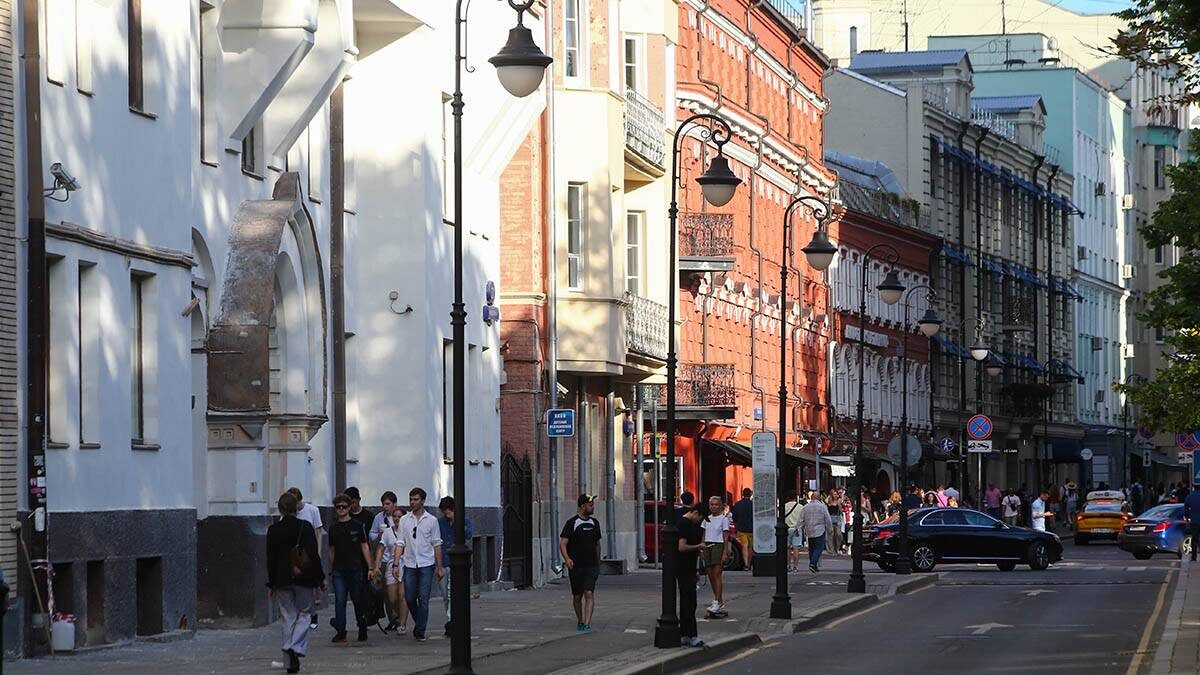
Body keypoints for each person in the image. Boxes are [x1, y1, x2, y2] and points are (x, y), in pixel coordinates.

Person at [268, 492, 322, 673]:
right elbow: (313, 555)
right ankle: (296, 647)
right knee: (306, 613)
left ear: (280, 509)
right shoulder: (304, 527)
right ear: (295, 508)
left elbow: (271, 559)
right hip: (303, 577)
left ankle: (290, 662)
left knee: (287, 616)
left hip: (282, 579)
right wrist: (320, 579)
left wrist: (272, 583)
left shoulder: (273, 530)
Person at [398, 487, 443, 642]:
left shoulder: (431, 521)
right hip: (409, 563)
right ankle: (420, 622)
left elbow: (437, 544)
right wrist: (396, 563)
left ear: (423, 501)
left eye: (416, 499)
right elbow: (400, 542)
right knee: (410, 598)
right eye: (411, 499)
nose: (412, 502)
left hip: (426, 563)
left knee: (423, 598)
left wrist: (439, 566)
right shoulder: (404, 520)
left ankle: (420, 630)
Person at [327, 492, 373, 643]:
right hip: (339, 570)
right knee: (340, 600)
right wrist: (331, 568)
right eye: (338, 507)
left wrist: (371, 567)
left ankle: (362, 627)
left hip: (355, 569)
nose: (341, 509)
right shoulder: (333, 528)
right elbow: (331, 549)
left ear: (349, 508)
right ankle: (341, 631)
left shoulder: (358, 526)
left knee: (357, 600)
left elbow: (365, 546)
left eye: (343, 507)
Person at [560, 494, 602, 632]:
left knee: (589, 593)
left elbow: (597, 544)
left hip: (591, 565)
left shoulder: (595, 523)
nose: (593, 507)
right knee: (577, 596)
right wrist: (567, 559)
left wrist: (598, 562)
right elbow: (563, 543)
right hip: (576, 566)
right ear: (583, 506)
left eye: (593, 505)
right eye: (590, 505)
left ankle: (587, 624)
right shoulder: (572, 523)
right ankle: (580, 620)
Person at [287, 487, 325, 632]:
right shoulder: (289, 513)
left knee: (311, 583)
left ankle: (312, 612)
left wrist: (318, 551)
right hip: (294, 553)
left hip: (309, 552)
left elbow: (318, 531)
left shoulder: (312, 510)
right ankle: (303, 613)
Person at [437, 496, 473, 637]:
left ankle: (453, 621)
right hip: (443, 561)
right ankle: (450, 618)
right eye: (444, 513)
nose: (446, 515)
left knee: (453, 592)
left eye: (448, 512)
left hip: (456, 563)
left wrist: (457, 522)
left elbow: (468, 535)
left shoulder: (464, 521)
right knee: (445, 595)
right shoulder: (440, 523)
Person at [675, 504, 707, 648]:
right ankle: (691, 635)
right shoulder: (684, 524)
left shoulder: (690, 525)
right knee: (689, 601)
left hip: (689, 568)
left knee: (688, 602)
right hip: (683, 568)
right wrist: (698, 547)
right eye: (700, 518)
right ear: (695, 513)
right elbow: (681, 547)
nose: (700, 521)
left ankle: (685, 635)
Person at [374, 506, 408, 635]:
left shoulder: (407, 530)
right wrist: (376, 566)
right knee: (392, 598)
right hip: (390, 565)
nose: (397, 519)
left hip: (405, 564)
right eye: (394, 516)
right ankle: (399, 615)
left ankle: (402, 623)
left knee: (402, 596)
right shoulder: (388, 532)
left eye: (399, 516)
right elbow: (381, 549)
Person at [700, 496, 731, 616]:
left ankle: (717, 601)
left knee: (717, 573)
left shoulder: (724, 519)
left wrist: (725, 552)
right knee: (710, 574)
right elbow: (703, 534)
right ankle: (719, 600)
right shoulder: (706, 519)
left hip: (718, 545)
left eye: (716, 504)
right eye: (711, 504)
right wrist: (701, 548)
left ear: (721, 506)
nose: (713, 507)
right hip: (707, 545)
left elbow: (726, 536)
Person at [800, 490, 834, 572]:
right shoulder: (822, 507)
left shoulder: (805, 507)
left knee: (811, 548)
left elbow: (801, 519)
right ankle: (813, 563)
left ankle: (814, 565)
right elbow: (828, 519)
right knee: (819, 548)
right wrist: (830, 529)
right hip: (820, 530)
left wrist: (799, 528)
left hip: (809, 530)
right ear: (819, 498)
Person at [730, 488, 754, 570]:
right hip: (752, 528)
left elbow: (734, 516)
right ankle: (749, 563)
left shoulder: (738, 504)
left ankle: (746, 564)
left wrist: (736, 525)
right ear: (750, 494)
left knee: (744, 546)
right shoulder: (753, 504)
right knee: (750, 547)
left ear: (742, 494)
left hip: (741, 528)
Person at [783, 491, 804, 571]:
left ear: (788, 498)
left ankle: (788, 565)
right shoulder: (801, 507)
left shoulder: (784, 506)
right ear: (796, 497)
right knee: (796, 548)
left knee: (787, 548)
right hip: (797, 529)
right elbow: (803, 519)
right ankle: (795, 566)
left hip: (786, 529)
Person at [1182, 488, 1200, 562]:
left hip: (1194, 521)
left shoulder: (1189, 497)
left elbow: (1186, 510)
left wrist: (1187, 519)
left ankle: (1194, 557)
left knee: (1194, 539)